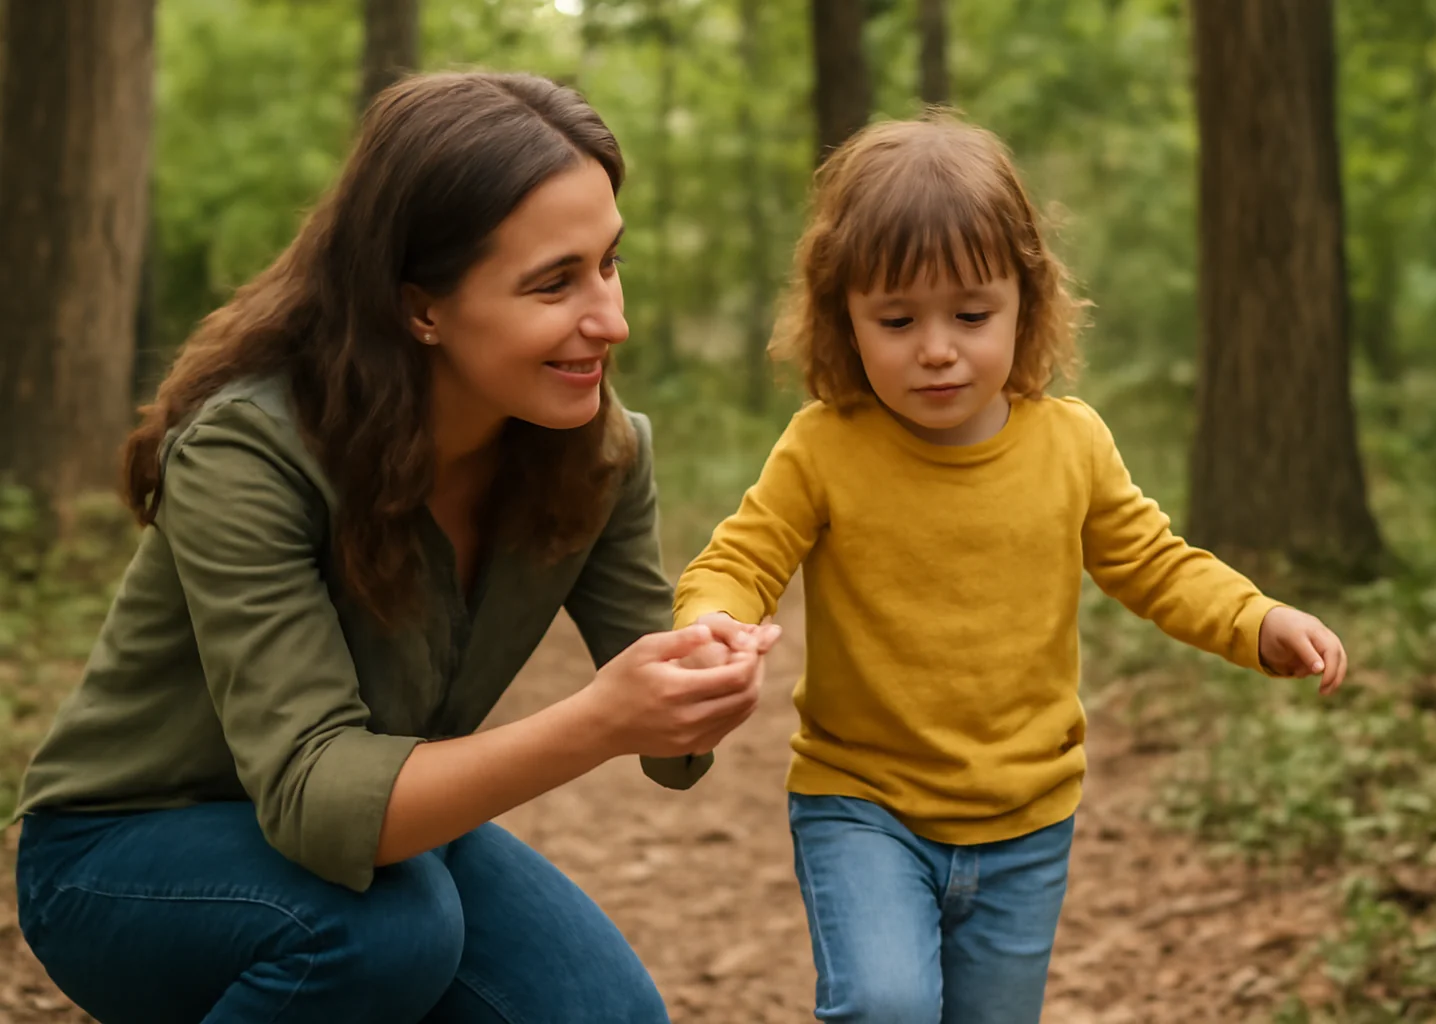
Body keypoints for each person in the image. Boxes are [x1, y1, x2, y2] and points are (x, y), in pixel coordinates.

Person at [11, 70, 778, 1024]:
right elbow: (317, 797)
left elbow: (670, 747)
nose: (610, 320)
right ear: (422, 307)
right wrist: (601, 720)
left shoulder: (602, 452)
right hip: (122, 857)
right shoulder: (250, 450)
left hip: (389, 841)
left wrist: (699, 677)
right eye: (554, 283)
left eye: (609, 264)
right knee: (388, 933)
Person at [672, 113, 1349, 1024]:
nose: (939, 347)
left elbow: (1154, 563)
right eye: (898, 319)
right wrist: (711, 618)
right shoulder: (825, 448)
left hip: (1028, 821)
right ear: (846, 318)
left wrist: (1255, 620)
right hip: (862, 805)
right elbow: (739, 559)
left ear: (1026, 300)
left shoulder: (1070, 445)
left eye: (971, 314)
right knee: (885, 1005)